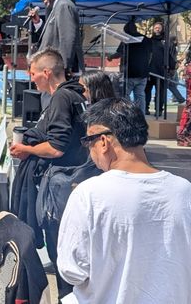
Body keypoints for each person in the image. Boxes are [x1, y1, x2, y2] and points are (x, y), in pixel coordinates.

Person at [57, 98, 191, 303]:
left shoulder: (89, 194)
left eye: (88, 141)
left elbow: (72, 270)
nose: (89, 150)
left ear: (103, 142)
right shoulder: (185, 191)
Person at [9, 48, 87, 300]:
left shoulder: (62, 98)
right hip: (69, 182)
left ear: (46, 72)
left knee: (62, 258)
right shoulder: (74, 94)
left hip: (61, 188)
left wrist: (27, 149)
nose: (31, 79)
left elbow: (56, 146)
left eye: (32, 73)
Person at [34, 0, 84, 73]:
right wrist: (37, 22)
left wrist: (64, 67)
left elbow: (67, 38)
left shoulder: (63, 5)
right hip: (54, 67)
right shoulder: (56, 8)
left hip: (61, 69)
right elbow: (50, 36)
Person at [107, 19, 150, 111]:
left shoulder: (126, 39)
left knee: (125, 95)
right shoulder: (145, 39)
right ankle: (141, 115)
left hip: (129, 72)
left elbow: (119, 53)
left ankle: (129, 114)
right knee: (140, 95)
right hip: (143, 72)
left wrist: (110, 57)